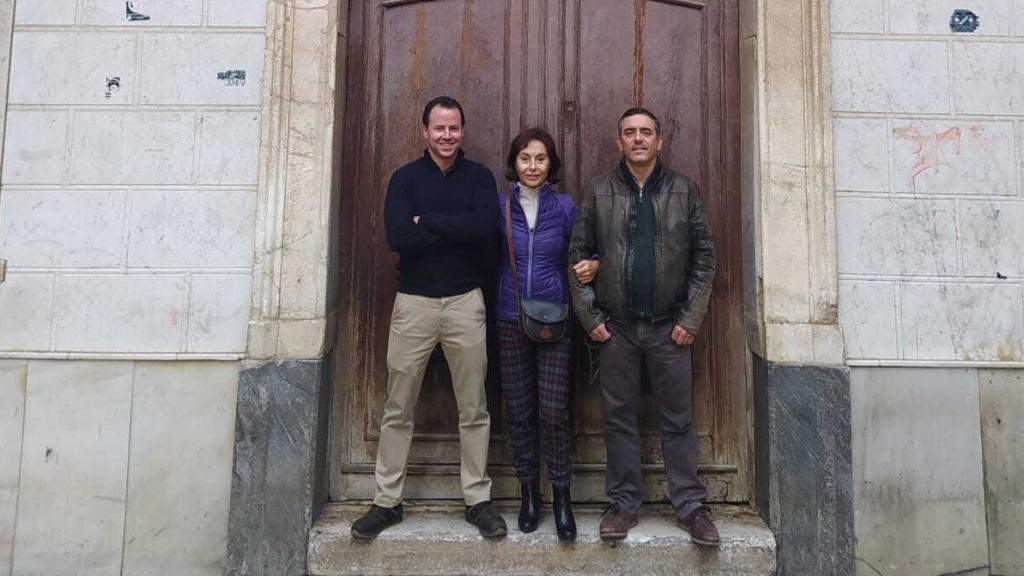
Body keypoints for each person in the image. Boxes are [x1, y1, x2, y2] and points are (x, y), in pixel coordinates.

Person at [351, 96, 507, 540]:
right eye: (439, 128)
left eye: (454, 128)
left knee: (474, 407)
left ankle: (477, 500)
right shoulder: (404, 179)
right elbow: (400, 237)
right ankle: (387, 501)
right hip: (414, 304)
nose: (446, 136)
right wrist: (453, 229)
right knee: (398, 407)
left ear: (463, 131)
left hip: (464, 302)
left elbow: (484, 232)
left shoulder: (479, 177)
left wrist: (431, 221)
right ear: (424, 131)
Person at [567, 107, 719, 546]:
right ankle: (624, 504)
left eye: (645, 132)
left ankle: (690, 506)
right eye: (629, 133)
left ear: (659, 141)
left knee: (678, 421)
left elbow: (704, 259)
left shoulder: (683, 190)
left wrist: (690, 318)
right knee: (618, 419)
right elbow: (576, 257)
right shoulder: (598, 191)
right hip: (617, 329)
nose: (638, 139)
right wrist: (591, 319)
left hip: (670, 328)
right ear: (619, 142)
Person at [495, 127, 599, 541]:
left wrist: (594, 264)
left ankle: (561, 496)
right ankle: (528, 494)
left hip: (556, 317)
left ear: (551, 164)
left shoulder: (566, 207)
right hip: (509, 315)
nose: (532, 166)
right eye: (525, 159)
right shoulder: (500, 206)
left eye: (540, 159)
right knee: (519, 412)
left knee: (553, 411)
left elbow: (585, 250)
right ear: (514, 163)